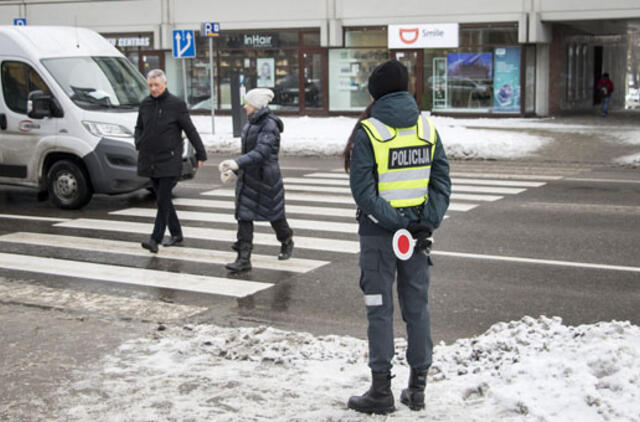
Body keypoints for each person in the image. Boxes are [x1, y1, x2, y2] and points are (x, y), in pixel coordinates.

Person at [344, 60, 451, 415]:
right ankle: (417, 389)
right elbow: (441, 182)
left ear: (374, 92)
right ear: (406, 88)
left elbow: (364, 193)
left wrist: (397, 223)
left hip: (379, 235)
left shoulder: (369, 131)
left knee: (379, 309)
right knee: (417, 308)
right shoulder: (427, 128)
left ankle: (380, 392)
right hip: (417, 237)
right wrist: (424, 223)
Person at [218, 88, 293, 272]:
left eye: (248, 103)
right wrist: (236, 172)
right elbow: (249, 154)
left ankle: (286, 240)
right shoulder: (251, 123)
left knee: (275, 216)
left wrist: (236, 163)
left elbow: (261, 153)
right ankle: (243, 259)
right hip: (249, 176)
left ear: (257, 105)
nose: (244, 106)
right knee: (244, 216)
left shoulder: (269, 125)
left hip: (266, 179)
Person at [134, 69, 207, 253]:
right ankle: (176, 233)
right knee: (162, 199)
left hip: (170, 159)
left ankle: (154, 239)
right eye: (150, 85)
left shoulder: (176, 104)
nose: (153, 88)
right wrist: (139, 142)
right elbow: (138, 127)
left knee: (163, 198)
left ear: (164, 84)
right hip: (150, 159)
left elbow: (190, 130)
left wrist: (201, 153)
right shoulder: (145, 104)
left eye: (157, 85)